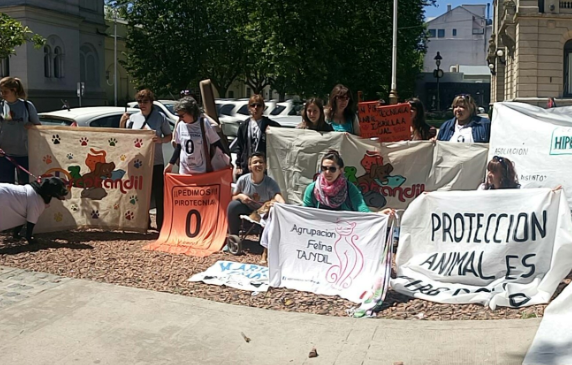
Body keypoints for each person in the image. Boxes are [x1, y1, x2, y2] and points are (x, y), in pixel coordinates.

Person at [120, 89, 172, 231]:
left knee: (158, 194)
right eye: (140, 102)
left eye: (145, 101)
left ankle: (162, 225)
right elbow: (125, 138)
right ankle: (144, 223)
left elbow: (170, 136)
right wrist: (122, 123)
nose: (142, 104)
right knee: (141, 195)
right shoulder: (133, 118)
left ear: (151, 102)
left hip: (156, 162)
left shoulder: (160, 117)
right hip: (138, 163)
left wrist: (161, 139)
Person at [165, 97, 230, 175]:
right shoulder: (180, 125)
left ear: (191, 112)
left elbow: (216, 142)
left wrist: (228, 159)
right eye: (178, 116)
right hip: (184, 170)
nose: (180, 119)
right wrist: (171, 164)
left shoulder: (204, 124)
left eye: (182, 116)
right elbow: (179, 147)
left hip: (201, 170)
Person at [227, 152, 285, 236]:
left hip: (263, 212)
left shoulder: (270, 183)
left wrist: (282, 204)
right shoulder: (243, 180)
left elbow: (277, 196)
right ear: (249, 166)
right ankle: (233, 237)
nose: (258, 164)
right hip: (247, 209)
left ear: (265, 166)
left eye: (261, 162)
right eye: (255, 162)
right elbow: (233, 197)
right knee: (233, 205)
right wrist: (240, 196)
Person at [0, 77, 41, 184]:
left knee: (26, 186)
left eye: (5, 91)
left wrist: (32, 125)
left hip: (25, 154)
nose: (2, 94)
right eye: (1, 91)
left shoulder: (27, 106)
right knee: (6, 188)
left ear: (14, 90)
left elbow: (39, 127)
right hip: (4, 155)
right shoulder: (0, 107)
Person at [303, 150, 370, 212]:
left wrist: (376, 217)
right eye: (324, 168)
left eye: (332, 169)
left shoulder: (349, 188)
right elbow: (306, 212)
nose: (327, 172)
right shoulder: (312, 189)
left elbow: (361, 207)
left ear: (340, 170)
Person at [234, 94, 281, 179]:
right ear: (249, 108)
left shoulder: (270, 124)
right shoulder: (244, 126)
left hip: (263, 168)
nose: (256, 107)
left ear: (263, 108)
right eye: (253, 105)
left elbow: (281, 137)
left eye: (259, 105)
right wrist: (238, 165)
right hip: (247, 167)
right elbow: (239, 147)